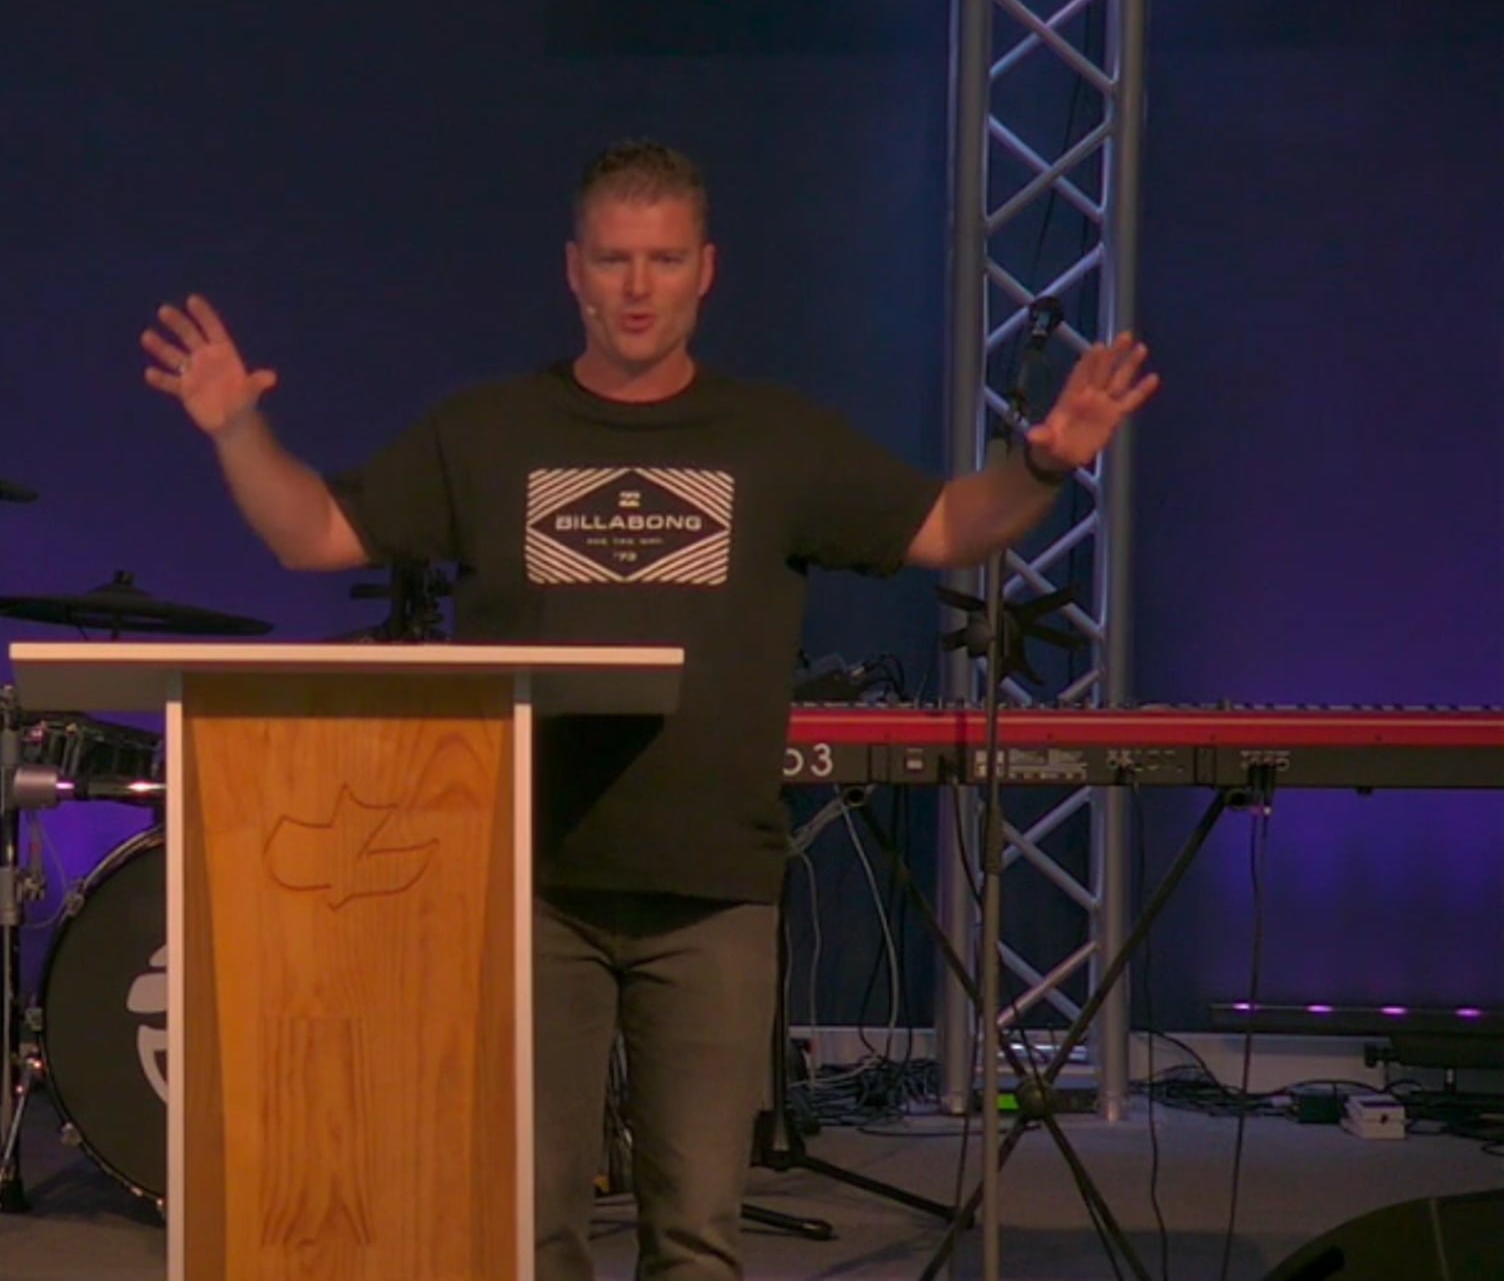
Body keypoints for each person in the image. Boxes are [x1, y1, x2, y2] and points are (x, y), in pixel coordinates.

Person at [137, 139, 1159, 1280]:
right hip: (529, 887)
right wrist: (236, 429)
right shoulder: (488, 431)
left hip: (713, 892)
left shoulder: (777, 437)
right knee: (528, 1235)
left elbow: (949, 528)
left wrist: (1044, 464)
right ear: (573, 269)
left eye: (664, 260)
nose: (637, 286)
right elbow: (313, 535)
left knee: (696, 1240)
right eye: (614, 259)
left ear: (705, 271)